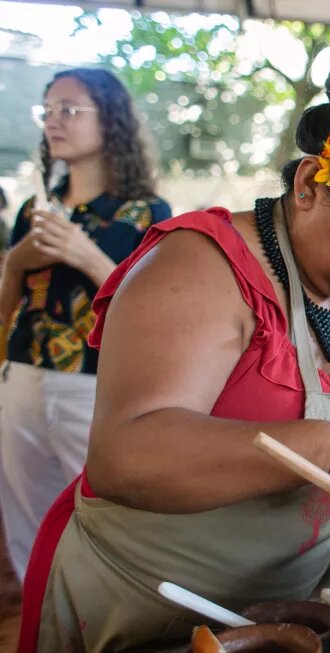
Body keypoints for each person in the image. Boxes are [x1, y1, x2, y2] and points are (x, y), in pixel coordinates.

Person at [17, 52, 330, 652]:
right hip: (137, 601)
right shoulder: (201, 264)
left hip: (280, 613)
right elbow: (123, 457)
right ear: (307, 186)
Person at [0, 68, 172, 582]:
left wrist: (83, 253)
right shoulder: (35, 209)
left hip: (96, 386)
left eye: (70, 109)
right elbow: (8, 306)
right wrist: (15, 264)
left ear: (111, 121)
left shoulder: (145, 214)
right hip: (21, 377)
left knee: (103, 514)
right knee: (26, 519)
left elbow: (153, 310)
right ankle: (39, 622)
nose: (55, 120)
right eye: (48, 110)